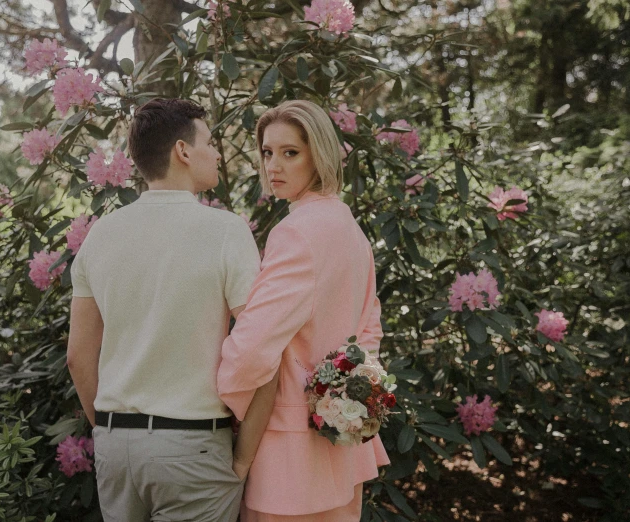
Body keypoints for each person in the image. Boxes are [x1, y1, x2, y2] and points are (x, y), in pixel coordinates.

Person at [67, 98, 263, 522]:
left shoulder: (99, 236)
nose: (217, 152)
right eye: (209, 142)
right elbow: (259, 349)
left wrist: (109, 429)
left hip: (116, 448)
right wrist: (244, 457)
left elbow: (78, 356)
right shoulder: (226, 231)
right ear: (183, 151)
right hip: (191, 448)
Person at [217, 99, 391, 521]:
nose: (273, 165)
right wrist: (343, 404)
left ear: (319, 155)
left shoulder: (296, 233)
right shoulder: (351, 230)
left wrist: (223, 402)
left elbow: (253, 346)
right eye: (267, 152)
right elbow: (369, 334)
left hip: (287, 457)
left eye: (290, 152)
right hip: (343, 445)